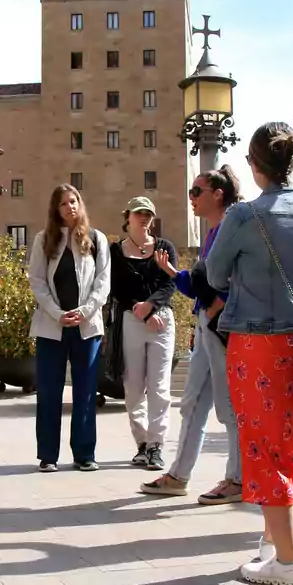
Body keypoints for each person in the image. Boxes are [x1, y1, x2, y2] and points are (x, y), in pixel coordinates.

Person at [206, 121, 293, 585]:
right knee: (288, 443)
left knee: (262, 446)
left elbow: (215, 274)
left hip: (257, 344)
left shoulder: (243, 216)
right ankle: (272, 543)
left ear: (255, 165)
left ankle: (288, 560)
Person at [141, 166, 244, 503]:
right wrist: (175, 275)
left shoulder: (233, 226)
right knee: (192, 404)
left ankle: (238, 479)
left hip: (223, 328)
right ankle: (178, 476)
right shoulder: (215, 230)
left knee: (229, 407)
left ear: (218, 194)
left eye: (197, 191)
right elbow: (203, 284)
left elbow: (240, 275)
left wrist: (216, 308)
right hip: (207, 327)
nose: (191, 198)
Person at [27, 184, 111, 473]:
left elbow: (103, 283)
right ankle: (48, 455)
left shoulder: (96, 239)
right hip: (52, 327)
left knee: (86, 392)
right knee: (48, 391)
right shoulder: (43, 240)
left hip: (87, 328)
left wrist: (84, 311)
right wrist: (57, 313)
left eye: (73, 201)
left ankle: (84, 454)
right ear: (56, 209)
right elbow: (36, 281)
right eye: (63, 203)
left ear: (80, 204)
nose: (69, 207)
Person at [109, 197, 178, 471]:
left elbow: (170, 281)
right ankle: (142, 444)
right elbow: (115, 288)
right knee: (134, 386)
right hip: (131, 319)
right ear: (128, 216)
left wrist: (152, 307)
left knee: (159, 387)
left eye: (148, 213)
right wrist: (141, 311)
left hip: (161, 321)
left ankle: (156, 445)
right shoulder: (116, 251)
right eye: (139, 213)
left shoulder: (164, 248)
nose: (144, 218)